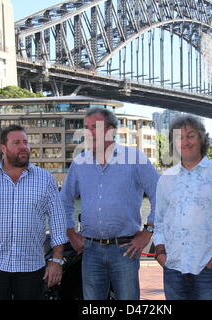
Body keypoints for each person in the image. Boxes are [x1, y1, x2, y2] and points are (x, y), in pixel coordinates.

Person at [60, 107, 159, 300]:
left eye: (94, 127)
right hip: (90, 250)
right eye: (86, 128)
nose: (88, 133)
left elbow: (161, 195)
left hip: (125, 249)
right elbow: (64, 201)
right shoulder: (80, 163)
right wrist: (71, 232)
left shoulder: (135, 159)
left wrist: (148, 231)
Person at [0, 125, 68, 300]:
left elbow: (58, 221)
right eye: (16, 142)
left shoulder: (45, 179)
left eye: (25, 142)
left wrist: (56, 261)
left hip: (32, 269)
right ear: (3, 148)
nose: (23, 146)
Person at [153, 115, 212, 300]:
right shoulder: (166, 178)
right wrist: (160, 253)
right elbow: (160, 220)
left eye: (191, 136)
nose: (185, 142)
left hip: (207, 269)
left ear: (202, 139)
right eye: (179, 137)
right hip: (173, 268)